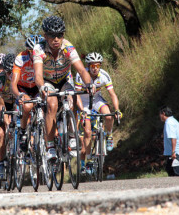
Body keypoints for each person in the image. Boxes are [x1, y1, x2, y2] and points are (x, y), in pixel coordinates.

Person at [33, 15, 95, 161]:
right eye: (52, 36)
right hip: (47, 81)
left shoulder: (68, 47)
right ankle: (50, 146)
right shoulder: (39, 49)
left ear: (63, 36)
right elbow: (37, 75)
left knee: (72, 98)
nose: (56, 39)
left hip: (64, 79)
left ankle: (72, 136)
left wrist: (89, 84)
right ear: (45, 36)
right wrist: (42, 87)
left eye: (59, 35)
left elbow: (81, 70)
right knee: (52, 104)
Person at [75, 52, 122, 172]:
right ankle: (89, 159)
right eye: (92, 66)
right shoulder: (81, 75)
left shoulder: (104, 75)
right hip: (84, 103)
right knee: (87, 132)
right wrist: (81, 111)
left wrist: (117, 110)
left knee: (108, 114)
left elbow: (112, 94)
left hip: (96, 100)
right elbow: (77, 96)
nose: (95, 69)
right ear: (88, 66)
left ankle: (109, 135)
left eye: (97, 66)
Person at [11, 35, 44, 152]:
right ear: (27, 50)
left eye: (36, 51)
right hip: (23, 87)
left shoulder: (45, 57)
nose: (33, 54)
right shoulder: (21, 58)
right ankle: (24, 131)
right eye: (31, 51)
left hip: (37, 87)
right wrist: (19, 95)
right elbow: (13, 84)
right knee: (28, 106)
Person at [0, 53, 16, 180]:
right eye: (8, 72)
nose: (10, 74)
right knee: (1, 133)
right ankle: (1, 162)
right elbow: (1, 103)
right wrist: (6, 119)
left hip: (17, 102)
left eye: (12, 71)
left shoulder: (22, 75)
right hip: (3, 103)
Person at [159, 106, 179, 176]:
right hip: (174, 152)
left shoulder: (169, 123)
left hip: (176, 153)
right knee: (170, 170)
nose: (160, 116)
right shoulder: (173, 121)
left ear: (163, 113)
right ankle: (175, 185)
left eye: (160, 114)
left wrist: (173, 152)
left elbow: (173, 138)